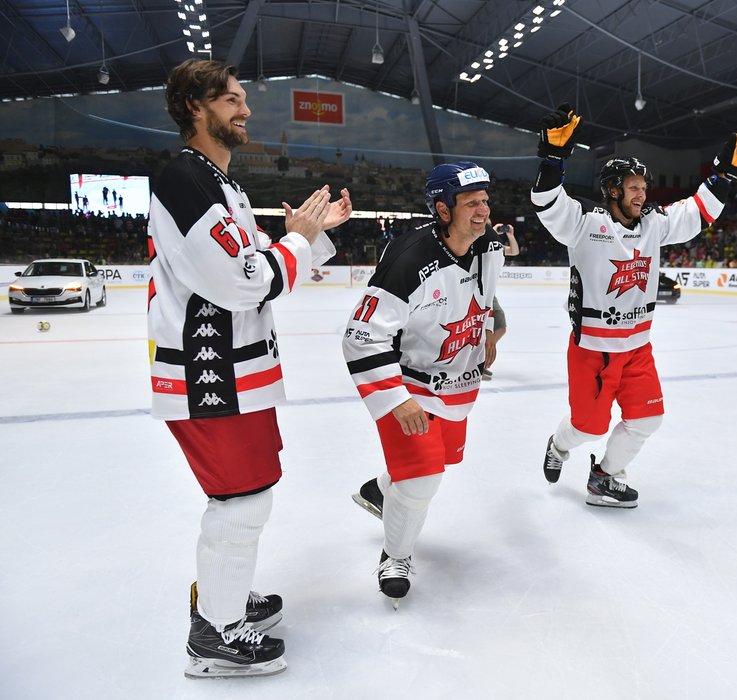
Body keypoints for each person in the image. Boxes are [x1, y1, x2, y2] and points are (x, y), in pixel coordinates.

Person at [147, 58, 351, 678]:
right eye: (231, 100)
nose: (245, 109)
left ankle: (225, 601)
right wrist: (297, 242)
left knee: (248, 496)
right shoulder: (184, 180)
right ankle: (212, 635)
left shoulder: (221, 185)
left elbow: (259, 267)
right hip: (209, 372)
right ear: (194, 108)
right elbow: (245, 281)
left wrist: (310, 236)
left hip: (234, 372)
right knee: (240, 503)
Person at [531, 103, 737, 507]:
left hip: (637, 348)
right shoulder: (585, 221)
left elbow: (696, 212)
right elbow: (548, 203)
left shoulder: (653, 222)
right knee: (586, 426)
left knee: (648, 418)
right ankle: (559, 445)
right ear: (613, 189)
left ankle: (604, 476)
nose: (642, 193)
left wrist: (724, 174)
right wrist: (552, 158)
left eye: (643, 187)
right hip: (594, 351)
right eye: (633, 187)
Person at [344, 162, 504, 607]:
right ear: (441, 208)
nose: (482, 211)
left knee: (438, 464)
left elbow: (483, 294)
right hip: (410, 388)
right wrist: (396, 399)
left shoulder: (489, 245)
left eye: (485, 202)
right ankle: (395, 556)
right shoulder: (407, 258)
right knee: (421, 480)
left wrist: (487, 327)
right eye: (471, 203)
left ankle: (381, 488)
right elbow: (360, 338)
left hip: (457, 388)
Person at [484, 222, 519, 380]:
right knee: (485, 330)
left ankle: (482, 359)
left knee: (500, 327)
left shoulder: (496, 246)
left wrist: (509, 236)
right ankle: (477, 363)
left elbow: (514, 251)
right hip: (480, 293)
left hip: (490, 294)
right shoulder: (478, 243)